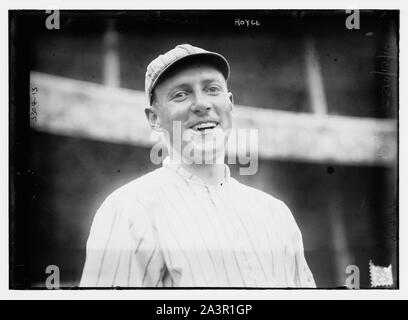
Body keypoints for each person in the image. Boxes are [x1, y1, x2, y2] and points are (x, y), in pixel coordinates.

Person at [80, 44, 316, 288]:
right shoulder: (129, 210)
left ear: (230, 103)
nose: (202, 104)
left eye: (212, 89)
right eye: (181, 94)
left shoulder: (275, 213)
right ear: (154, 118)